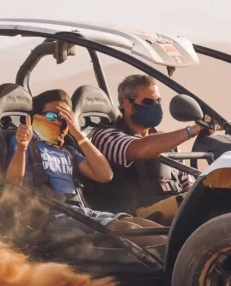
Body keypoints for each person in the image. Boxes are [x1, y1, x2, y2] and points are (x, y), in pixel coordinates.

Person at [5, 89, 163, 240]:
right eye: (52, 116)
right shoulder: (25, 143)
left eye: (65, 117)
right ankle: (178, 262)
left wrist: (77, 133)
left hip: (80, 210)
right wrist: (22, 147)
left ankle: (179, 254)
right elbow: (14, 181)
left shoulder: (67, 150)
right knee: (126, 229)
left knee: (138, 223)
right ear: (36, 117)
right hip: (50, 213)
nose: (59, 121)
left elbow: (105, 175)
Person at [89, 74, 218, 223]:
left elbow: (186, 184)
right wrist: (191, 131)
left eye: (158, 101)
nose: (156, 106)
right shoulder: (106, 136)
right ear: (127, 104)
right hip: (138, 219)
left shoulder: (167, 142)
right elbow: (140, 149)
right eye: (149, 102)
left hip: (174, 211)